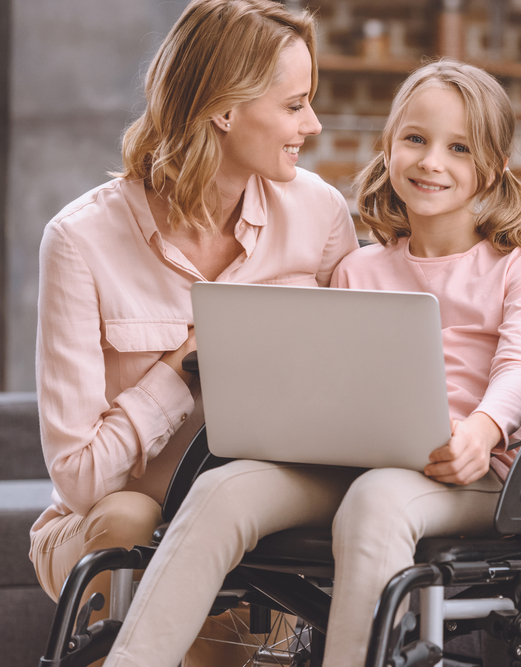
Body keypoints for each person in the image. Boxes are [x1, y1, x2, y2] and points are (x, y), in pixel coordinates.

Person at [103, 58, 521, 667]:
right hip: (350, 460)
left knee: (378, 499)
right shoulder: (360, 268)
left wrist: (483, 431)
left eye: (459, 148)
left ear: (495, 168)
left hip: (474, 471)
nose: (432, 161)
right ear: (389, 149)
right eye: (415, 139)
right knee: (222, 489)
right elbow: (327, 378)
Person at [30, 1, 358, 664]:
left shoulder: (320, 213)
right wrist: (181, 368)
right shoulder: (80, 241)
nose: (313, 125)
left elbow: (355, 385)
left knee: (233, 535)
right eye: (295, 105)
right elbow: (79, 477)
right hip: (103, 523)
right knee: (129, 521)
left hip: (248, 520)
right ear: (224, 110)